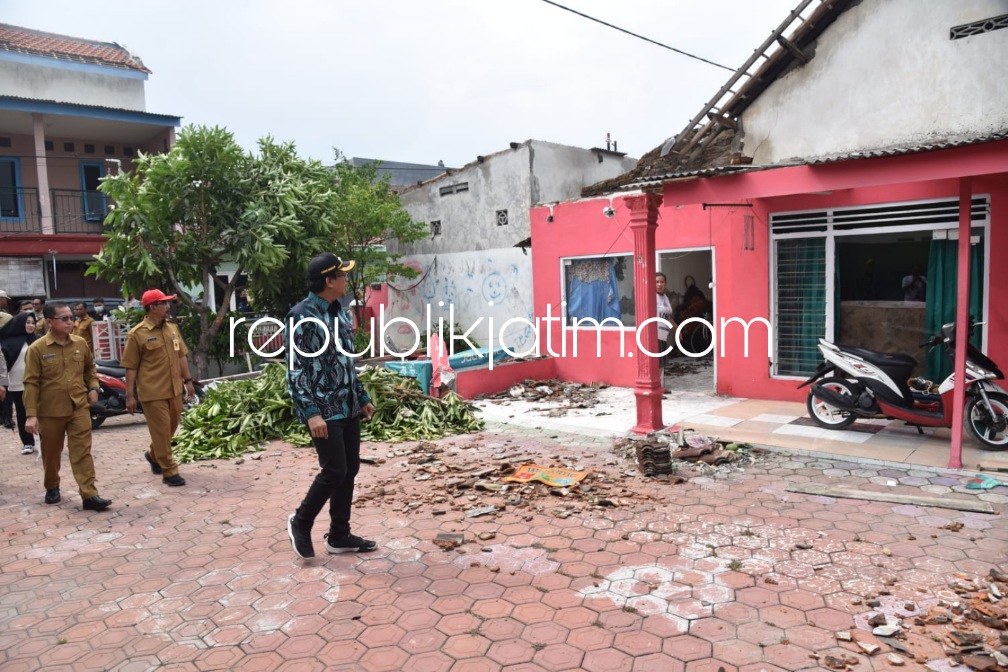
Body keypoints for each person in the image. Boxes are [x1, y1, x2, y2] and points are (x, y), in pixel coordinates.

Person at [285, 253, 376, 559]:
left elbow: (347, 360)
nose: (346, 280)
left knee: (349, 469)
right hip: (323, 409)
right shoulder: (301, 315)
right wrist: (311, 413)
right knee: (334, 469)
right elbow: (295, 370)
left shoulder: (340, 312)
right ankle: (301, 521)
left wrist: (361, 397)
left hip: (348, 405)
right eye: (342, 275)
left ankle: (339, 535)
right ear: (329, 280)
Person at [22, 302, 111, 511]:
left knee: (82, 452)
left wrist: (94, 387)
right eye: (65, 318)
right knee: (51, 453)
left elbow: (90, 368)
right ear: (50, 322)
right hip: (50, 411)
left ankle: (89, 494)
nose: (70, 321)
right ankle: (52, 485)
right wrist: (31, 415)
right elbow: (31, 383)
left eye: (71, 317)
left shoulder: (80, 343)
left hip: (78, 407)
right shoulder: (37, 349)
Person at [120, 289, 196, 487]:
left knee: (171, 427)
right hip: (152, 392)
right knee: (161, 431)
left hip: (174, 389)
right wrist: (129, 395)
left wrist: (188, 381)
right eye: (163, 303)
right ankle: (169, 470)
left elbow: (181, 356)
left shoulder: (171, 328)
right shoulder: (137, 334)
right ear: (153, 307)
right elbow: (131, 367)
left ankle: (153, 455)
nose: (167, 306)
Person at [1, 312, 41, 454]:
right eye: (27, 322)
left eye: (33, 322)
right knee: (22, 413)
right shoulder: (7, 343)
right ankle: (28, 443)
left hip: (37, 384)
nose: (31, 325)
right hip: (17, 383)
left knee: (41, 412)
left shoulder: (38, 340)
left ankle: (45, 439)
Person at [655, 273, 678, 369]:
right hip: (655, 336)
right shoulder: (651, 297)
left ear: (665, 284)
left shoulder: (665, 298)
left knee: (661, 364)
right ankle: (656, 384)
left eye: (662, 282)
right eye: (656, 282)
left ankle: (659, 383)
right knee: (656, 364)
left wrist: (677, 329)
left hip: (663, 336)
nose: (659, 284)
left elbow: (668, 317)